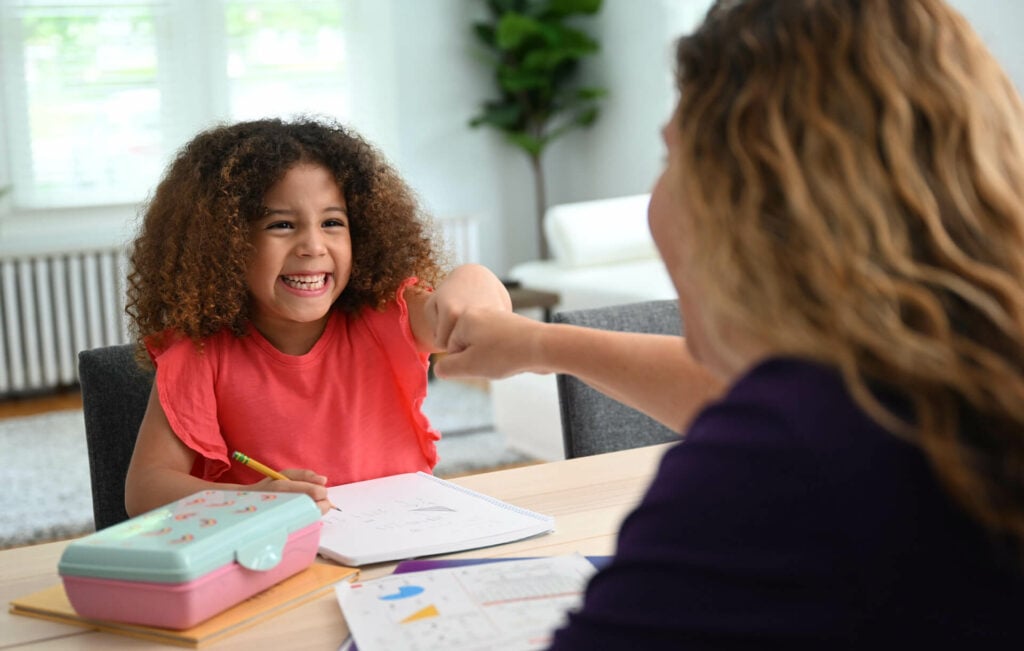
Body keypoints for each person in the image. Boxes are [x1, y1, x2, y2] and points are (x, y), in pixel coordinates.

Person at [436, 0, 1024, 646]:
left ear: (753, 192)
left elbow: (780, 422)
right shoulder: (943, 383)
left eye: (668, 158)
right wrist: (536, 341)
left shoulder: (776, 468)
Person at [123, 117, 511, 517]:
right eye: (282, 225)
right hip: (282, 560)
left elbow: (465, 317)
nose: (312, 245)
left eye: (331, 223)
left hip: (403, 547)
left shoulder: (387, 313)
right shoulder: (200, 351)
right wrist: (255, 498)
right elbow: (146, 490)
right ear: (225, 243)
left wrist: (474, 277)